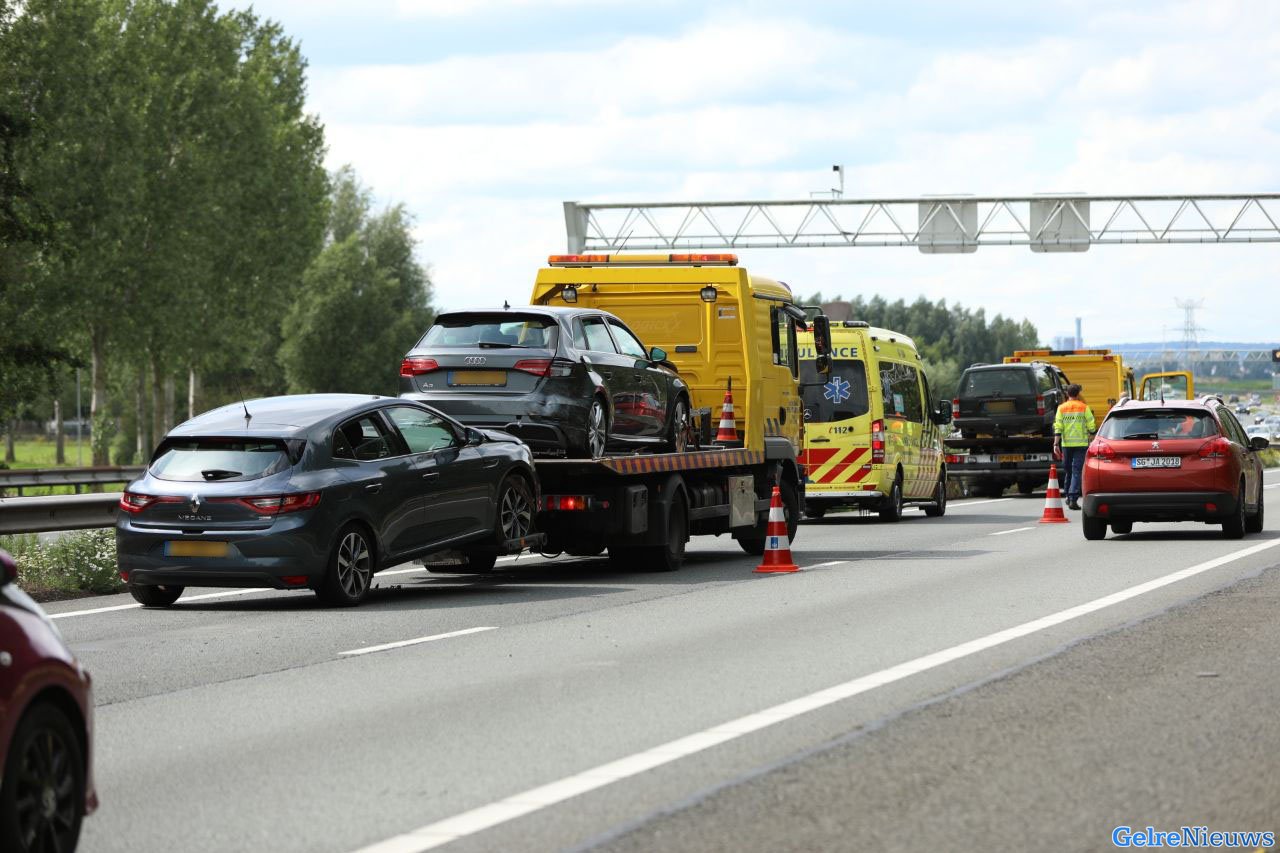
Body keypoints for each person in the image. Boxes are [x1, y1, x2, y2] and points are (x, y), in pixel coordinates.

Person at [1053, 384, 1096, 510]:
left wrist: (1056, 443)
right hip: (1081, 444)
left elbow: (1058, 426)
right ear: (1078, 394)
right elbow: (1091, 425)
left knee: (1068, 470)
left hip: (1066, 445)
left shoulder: (1061, 408)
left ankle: (1067, 495)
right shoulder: (1084, 407)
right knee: (1077, 471)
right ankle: (1073, 498)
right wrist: (1093, 433)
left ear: (1067, 394)